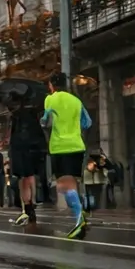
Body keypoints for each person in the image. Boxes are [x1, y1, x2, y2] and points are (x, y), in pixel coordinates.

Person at [41, 72, 93, 239]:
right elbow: (87, 122)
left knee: (63, 185)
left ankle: (79, 218)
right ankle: (81, 212)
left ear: (52, 85)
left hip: (59, 147)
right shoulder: (76, 101)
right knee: (72, 183)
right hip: (77, 145)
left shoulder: (50, 99)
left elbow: (45, 120)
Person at [8, 92, 47, 225]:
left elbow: (14, 137)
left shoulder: (16, 116)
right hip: (33, 150)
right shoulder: (32, 115)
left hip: (21, 150)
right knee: (30, 177)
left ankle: (28, 207)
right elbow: (39, 133)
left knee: (23, 180)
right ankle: (31, 206)